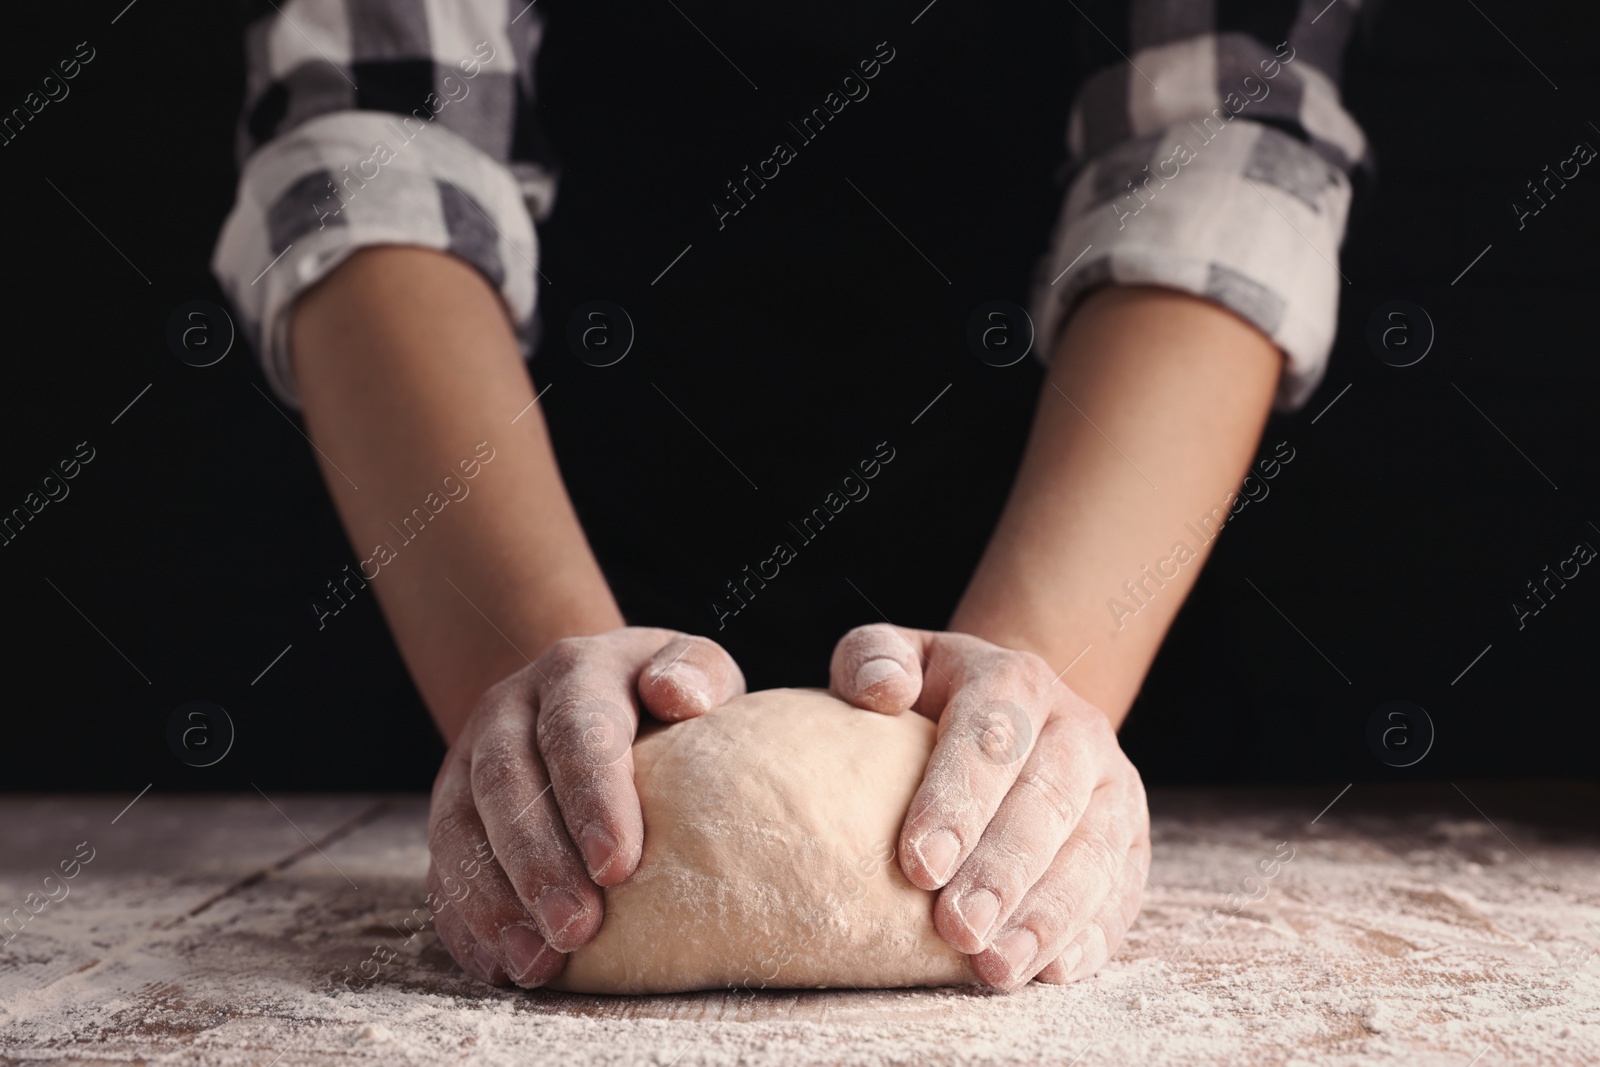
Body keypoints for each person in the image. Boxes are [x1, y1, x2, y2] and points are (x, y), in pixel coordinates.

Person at [213, 0, 1369, 991]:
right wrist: (536, 711)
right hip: (500, 531)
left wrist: (1032, 708)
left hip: (1076, 533)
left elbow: (1228, 136)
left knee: (993, 825)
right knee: (570, 821)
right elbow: (369, 144)